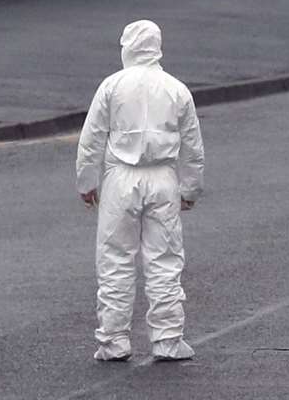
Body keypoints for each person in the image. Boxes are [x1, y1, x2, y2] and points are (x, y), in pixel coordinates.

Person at [77, 20, 204, 362]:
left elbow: (92, 139)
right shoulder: (177, 89)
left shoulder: (112, 86)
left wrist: (87, 182)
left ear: (127, 47)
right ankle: (167, 339)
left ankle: (113, 341)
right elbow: (192, 144)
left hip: (120, 179)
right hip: (163, 178)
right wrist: (191, 187)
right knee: (164, 259)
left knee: (116, 258)